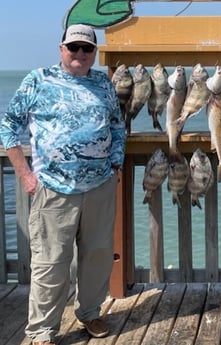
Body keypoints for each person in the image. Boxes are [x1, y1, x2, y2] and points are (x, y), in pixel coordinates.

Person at [0, 24, 126, 345]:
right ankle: (42, 331)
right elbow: (7, 125)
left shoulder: (103, 83)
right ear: (61, 49)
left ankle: (90, 313)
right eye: (74, 48)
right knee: (50, 262)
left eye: (87, 49)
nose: (80, 54)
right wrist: (25, 174)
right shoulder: (38, 80)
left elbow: (116, 124)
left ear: (94, 53)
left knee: (97, 256)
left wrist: (115, 161)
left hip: (99, 187)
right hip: (53, 190)